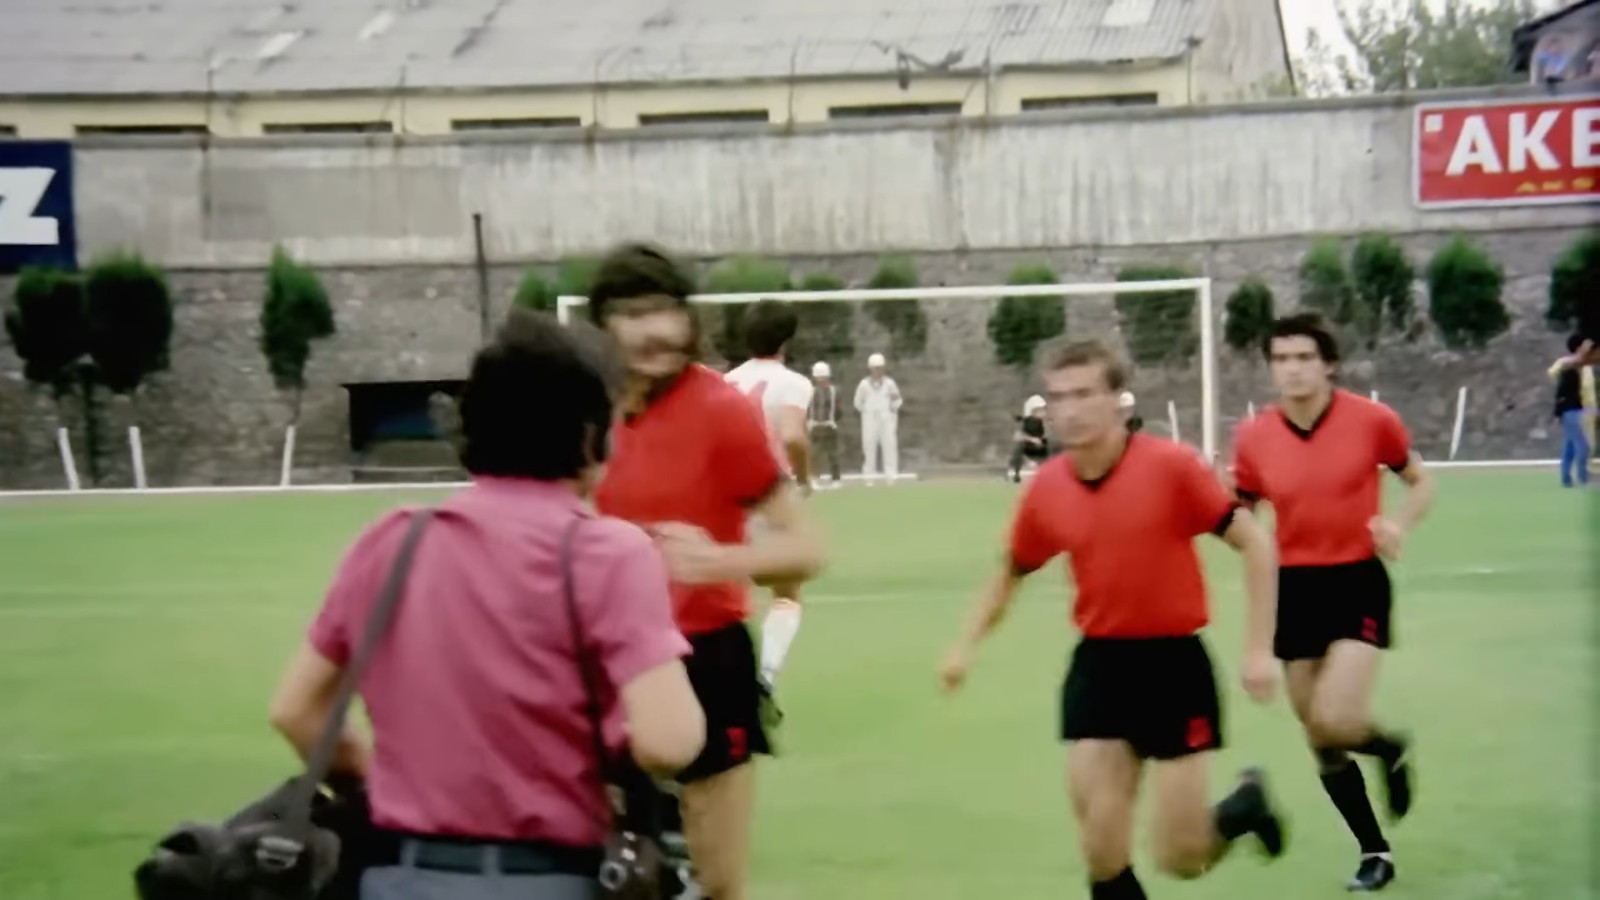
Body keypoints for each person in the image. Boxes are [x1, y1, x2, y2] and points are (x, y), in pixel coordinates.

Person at [267, 309, 705, 900]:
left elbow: (297, 711)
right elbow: (668, 740)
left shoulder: (393, 540)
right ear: (589, 435)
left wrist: (380, 785)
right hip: (550, 876)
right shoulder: (607, 553)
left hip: (402, 875)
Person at [940, 337, 1286, 900]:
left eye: (1084, 394)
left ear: (1117, 399)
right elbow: (1012, 570)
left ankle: (1242, 808)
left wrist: (1258, 650)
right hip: (1100, 667)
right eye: (1059, 397)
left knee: (1181, 857)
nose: (1070, 409)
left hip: (1174, 667)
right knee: (1102, 850)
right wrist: (966, 645)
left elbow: (1256, 544)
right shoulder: (1048, 488)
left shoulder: (1172, 467)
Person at [587, 242, 825, 900]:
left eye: (667, 310)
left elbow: (806, 549)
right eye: (634, 313)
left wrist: (719, 561)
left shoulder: (719, 408)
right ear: (603, 324)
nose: (655, 330)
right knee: (604, 875)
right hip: (598, 665)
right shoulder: (579, 412)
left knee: (717, 882)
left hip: (706, 659)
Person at [1230, 312, 1435, 893]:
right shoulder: (1254, 436)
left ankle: (1388, 748)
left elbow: (1420, 480)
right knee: (1320, 738)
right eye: (1281, 359)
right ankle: (1375, 851)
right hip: (1293, 589)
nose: (1292, 370)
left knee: (1336, 719)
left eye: (1303, 358)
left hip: (1356, 581)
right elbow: (1240, 511)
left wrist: (1398, 525)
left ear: (1329, 365)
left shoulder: (1372, 421)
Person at [724, 299, 816, 688]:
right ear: (787, 339)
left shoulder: (726, 381)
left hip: (725, 499)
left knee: (725, 592)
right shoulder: (793, 383)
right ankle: (765, 675)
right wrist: (805, 479)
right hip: (768, 496)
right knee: (786, 594)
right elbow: (793, 436)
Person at [1550, 333, 1596, 488]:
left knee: (1570, 445)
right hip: (1571, 410)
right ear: (1579, 348)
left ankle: (1566, 479)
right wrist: (1558, 412)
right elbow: (1559, 389)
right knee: (1582, 445)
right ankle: (1583, 478)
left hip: (1579, 410)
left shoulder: (1584, 367)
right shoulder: (1568, 367)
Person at [854, 352, 902, 485]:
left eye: (880, 368)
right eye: (875, 368)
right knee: (869, 447)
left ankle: (891, 476)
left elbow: (898, 400)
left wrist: (892, 408)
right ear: (870, 369)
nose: (878, 371)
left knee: (889, 446)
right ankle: (869, 478)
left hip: (886, 418)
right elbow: (857, 402)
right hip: (869, 418)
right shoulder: (864, 385)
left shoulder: (890, 384)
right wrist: (866, 411)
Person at [807, 361, 843, 489]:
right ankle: (813, 478)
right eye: (819, 378)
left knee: (833, 454)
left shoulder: (834, 391)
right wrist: (810, 421)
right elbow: (808, 408)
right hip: (815, 426)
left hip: (829, 425)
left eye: (823, 378)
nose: (821, 381)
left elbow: (838, 410)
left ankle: (836, 479)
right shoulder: (810, 391)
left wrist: (833, 420)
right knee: (814, 454)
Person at [1008, 393, 1049, 482]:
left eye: (1043, 409)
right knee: (1019, 446)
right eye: (1039, 410)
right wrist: (1032, 439)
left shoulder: (1046, 422)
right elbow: (1017, 436)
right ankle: (1016, 473)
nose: (1042, 412)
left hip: (1043, 448)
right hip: (1029, 448)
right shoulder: (1024, 422)